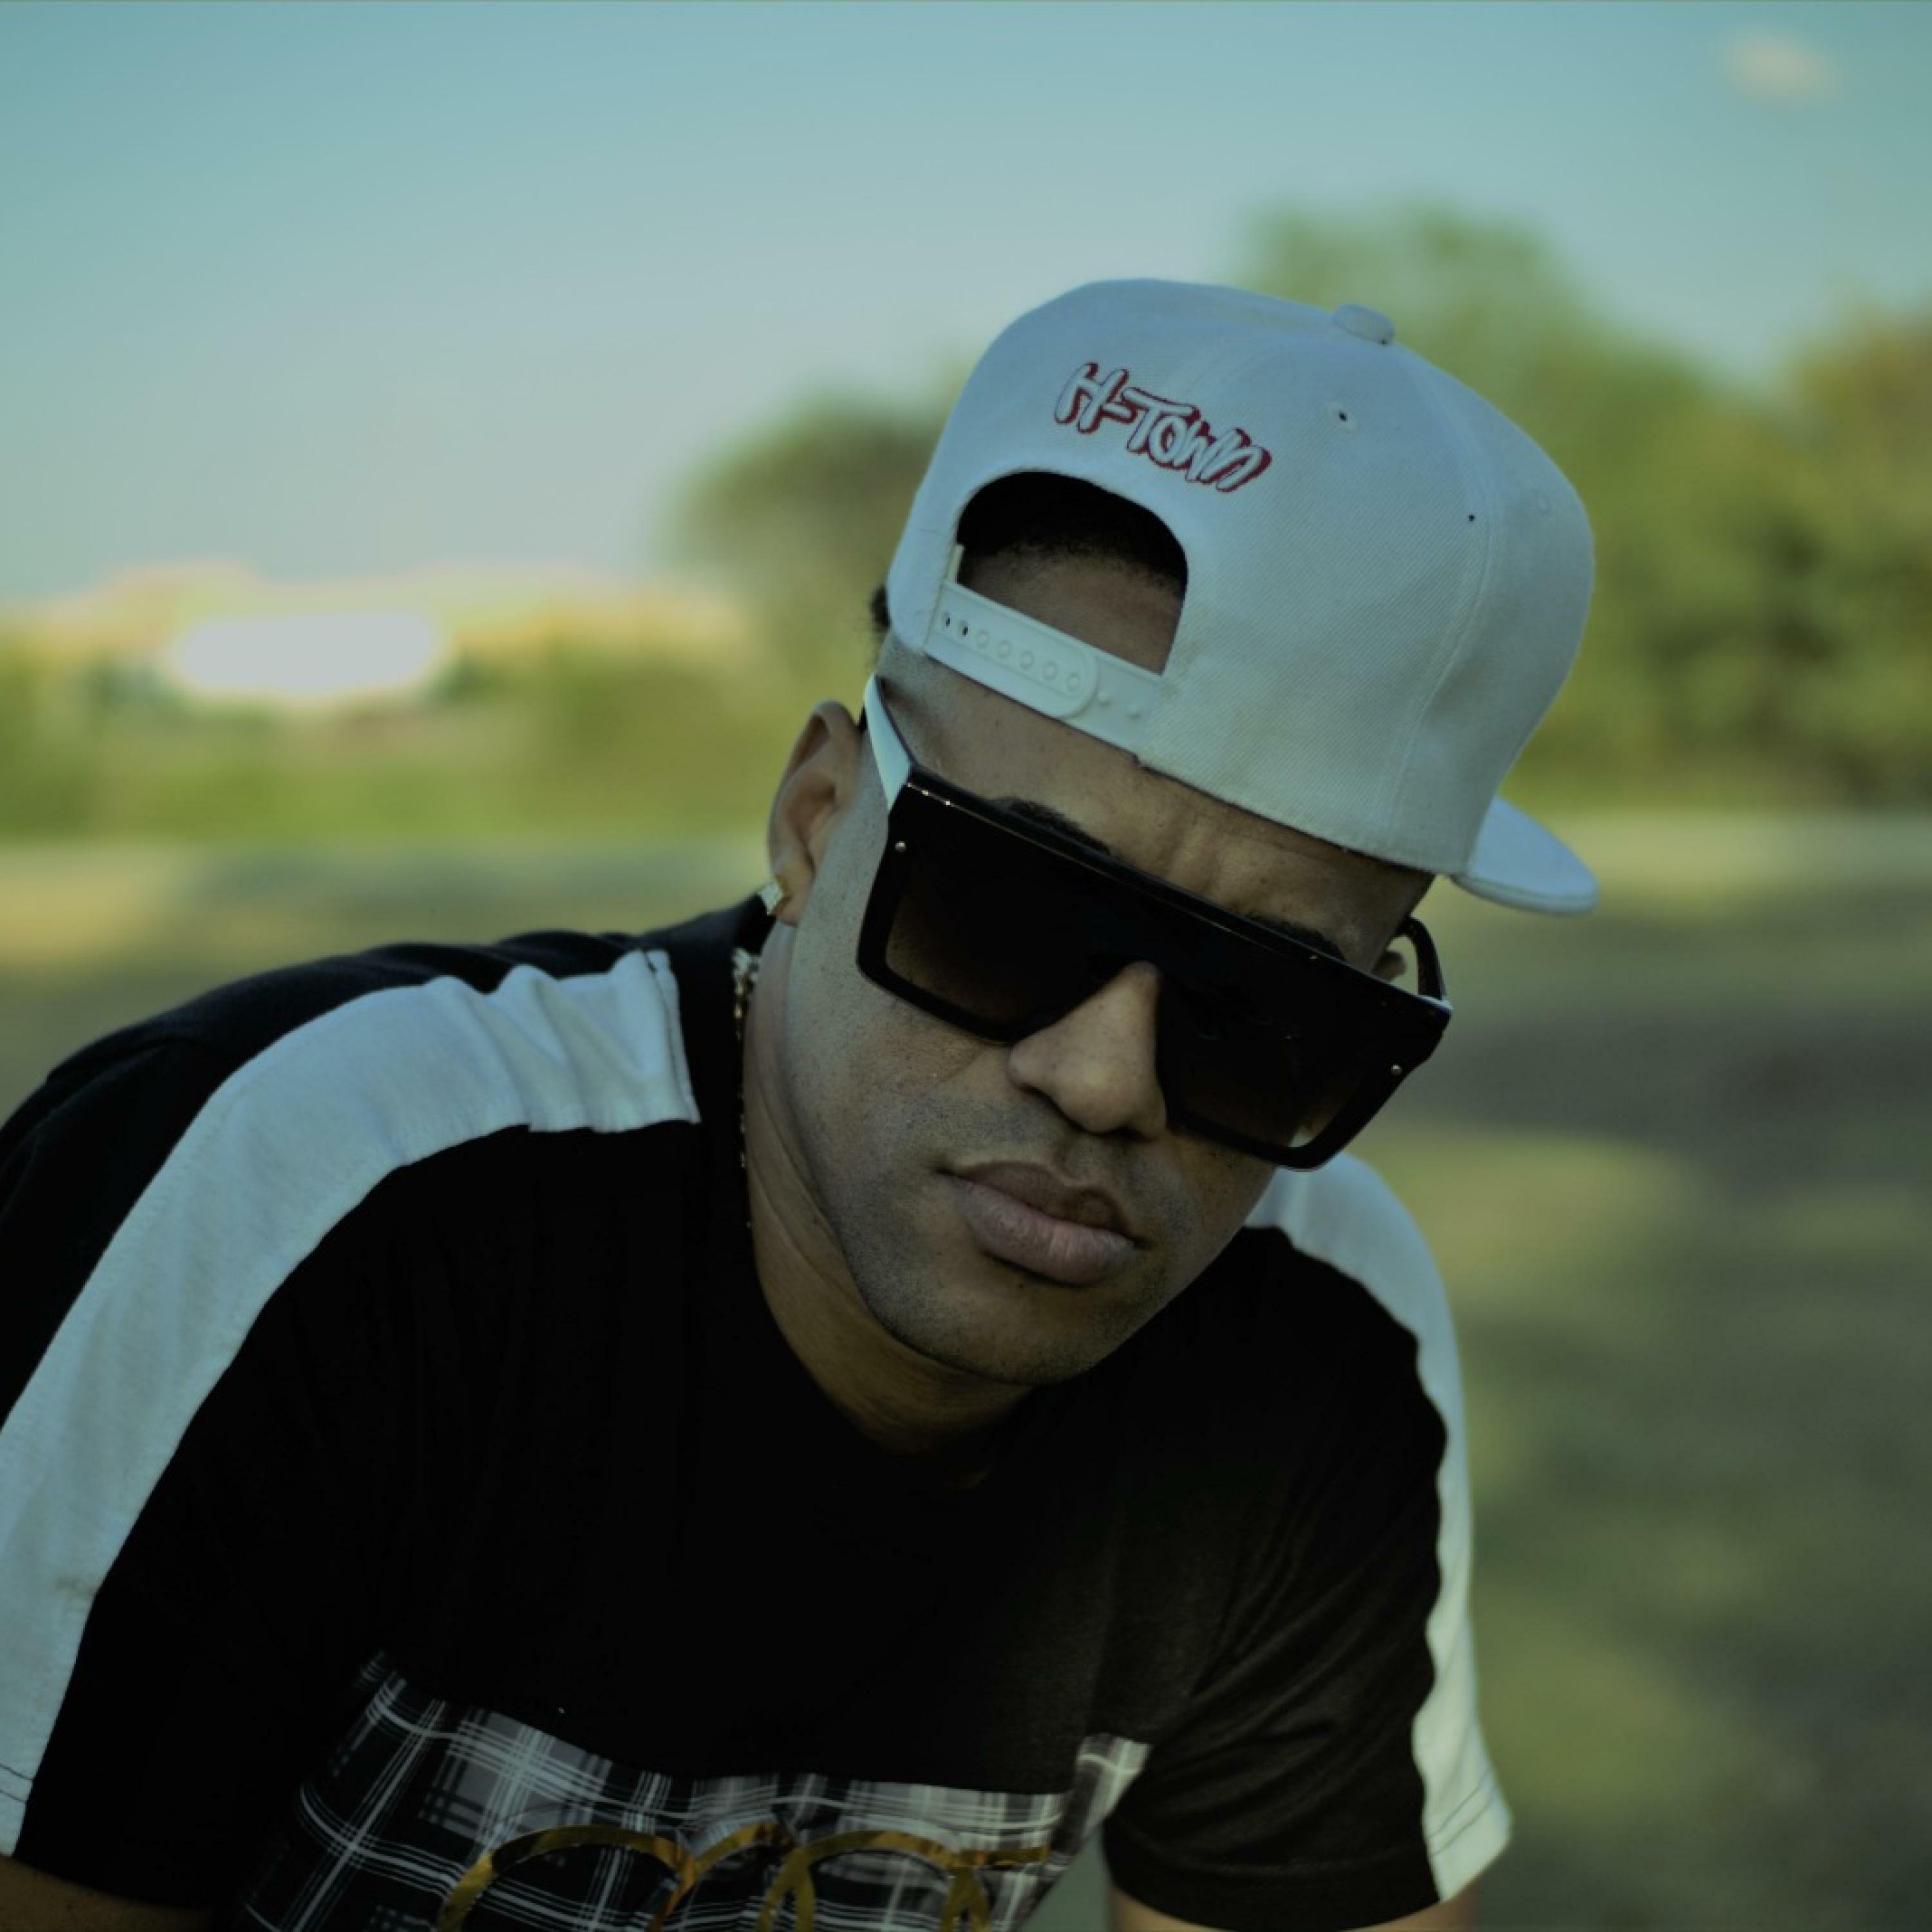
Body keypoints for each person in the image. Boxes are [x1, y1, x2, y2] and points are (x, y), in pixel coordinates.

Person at [0, 279, 1596, 1932]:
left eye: (1266, 1012)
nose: (1105, 1077)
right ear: (818, 823)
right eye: (1008, 909)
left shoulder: (1319, 1335)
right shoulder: (314, 1188)